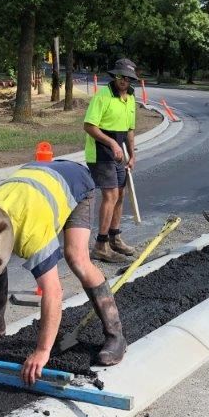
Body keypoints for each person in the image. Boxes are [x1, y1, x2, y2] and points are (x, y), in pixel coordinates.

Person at [0, 159, 126, 384]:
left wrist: (42, 351)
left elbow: (53, 291)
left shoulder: (32, 235)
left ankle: (115, 335)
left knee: (77, 258)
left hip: (74, 183)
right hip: (33, 179)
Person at [84, 58, 139, 263]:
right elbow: (89, 126)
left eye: (127, 77)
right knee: (111, 195)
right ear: (114, 76)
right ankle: (100, 245)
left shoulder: (131, 98)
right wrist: (112, 144)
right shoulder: (103, 96)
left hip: (119, 154)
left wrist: (132, 154)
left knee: (121, 195)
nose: (123, 80)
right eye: (119, 76)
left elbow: (130, 130)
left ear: (131, 79)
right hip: (100, 153)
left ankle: (114, 238)